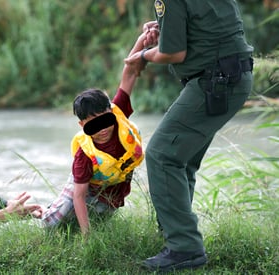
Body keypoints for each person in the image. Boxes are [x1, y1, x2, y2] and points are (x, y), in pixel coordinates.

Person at [125, 0, 254, 272]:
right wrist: (166, 29)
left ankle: (184, 247)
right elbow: (206, 30)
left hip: (216, 81)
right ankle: (175, 237)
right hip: (231, 77)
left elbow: (174, 53)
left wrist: (144, 54)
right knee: (181, 157)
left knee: (162, 154)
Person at [41, 29, 157, 235]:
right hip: (85, 183)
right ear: (82, 126)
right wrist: (87, 237)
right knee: (53, 224)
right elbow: (79, 195)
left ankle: (83, 223)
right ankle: (41, 212)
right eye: (93, 125)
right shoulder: (84, 154)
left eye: (104, 120)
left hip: (112, 187)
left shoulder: (118, 112)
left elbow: (129, 72)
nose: (102, 129)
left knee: (97, 222)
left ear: (110, 111)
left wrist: (142, 41)